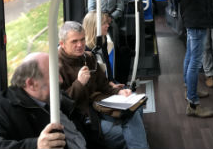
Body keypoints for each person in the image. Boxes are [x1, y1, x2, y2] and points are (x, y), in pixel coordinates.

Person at [0, 52, 91, 149]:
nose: (61, 80)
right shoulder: (3, 107)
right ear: (31, 84)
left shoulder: (52, 98)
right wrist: (35, 145)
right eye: (53, 75)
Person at [58, 21, 149, 149]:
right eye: (74, 41)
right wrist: (79, 84)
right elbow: (62, 104)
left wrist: (118, 92)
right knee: (131, 133)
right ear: (62, 44)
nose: (80, 45)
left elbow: (103, 84)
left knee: (134, 110)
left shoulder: (88, 57)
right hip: (85, 118)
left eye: (82, 39)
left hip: (100, 105)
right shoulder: (56, 68)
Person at [82, 11, 125, 89]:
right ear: (95, 26)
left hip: (105, 82)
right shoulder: (84, 49)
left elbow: (107, 62)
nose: (108, 26)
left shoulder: (103, 39)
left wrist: (111, 82)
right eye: (104, 23)